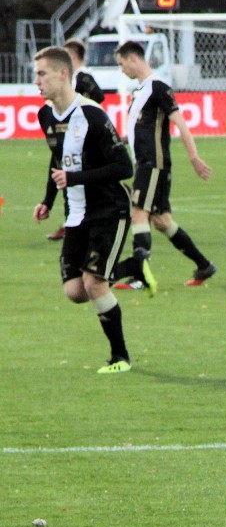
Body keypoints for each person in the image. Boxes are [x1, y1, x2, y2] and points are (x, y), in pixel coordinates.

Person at [32, 46, 135, 374]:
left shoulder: (92, 115)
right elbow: (57, 157)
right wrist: (48, 200)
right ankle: (132, 267)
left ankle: (120, 358)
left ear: (63, 74)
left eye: (42, 73)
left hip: (109, 210)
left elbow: (124, 166)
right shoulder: (45, 115)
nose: (37, 81)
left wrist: (74, 177)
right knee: (75, 291)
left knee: (94, 283)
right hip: (75, 214)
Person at [111, 40, 216, 292]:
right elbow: (142, 130)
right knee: (162, 221)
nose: (122, 69)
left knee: (138, 212)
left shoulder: (158, 87)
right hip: (146, 163)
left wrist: (194, 157)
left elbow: (180, 123)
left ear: (133, 59)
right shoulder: (141, 92)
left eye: (122, 64)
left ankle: (139, 276)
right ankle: (204, 265)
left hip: (153, 164)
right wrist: (120, 140)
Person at [45, 39, 106, 241]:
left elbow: (98, 97)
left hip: (82, 135)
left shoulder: (82, 77)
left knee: (78, 175)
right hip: (71, 134)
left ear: (72, 55)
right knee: (65, 170)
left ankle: (79, 223)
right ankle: (70, 222)